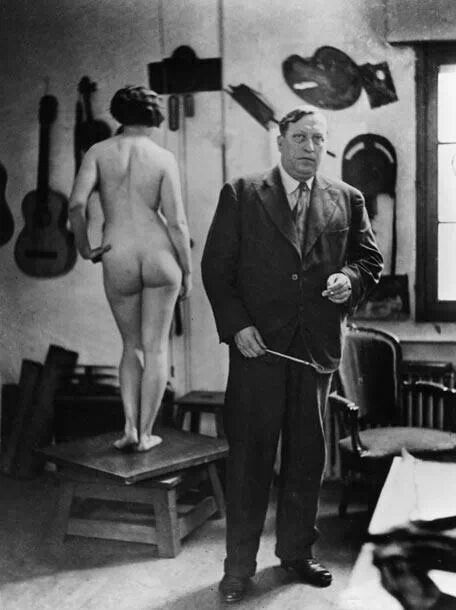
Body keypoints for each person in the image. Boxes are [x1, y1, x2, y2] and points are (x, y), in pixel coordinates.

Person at [201, 106, 383, 603]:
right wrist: (237, 326)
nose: (309, 147)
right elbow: (216, 269)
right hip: (257, 349)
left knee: (306, 459)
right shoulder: (242, 193)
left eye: (318, 139)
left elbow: (369, 260)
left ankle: (297, 554)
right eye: (300, 137)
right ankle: (238, 568)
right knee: (250, 462)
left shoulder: (347, 198)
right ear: (279, 141)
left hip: (314, 351)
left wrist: (350, 279)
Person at [69, 85, 192, 452]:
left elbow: (76, 206)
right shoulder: (163, 157)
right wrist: (187, 272)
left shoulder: (98, 152)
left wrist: (85, 248)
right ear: (153, 117)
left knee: (131, 347)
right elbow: (177, 224)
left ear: (119, 114)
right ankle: (148, 433)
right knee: (156, 349)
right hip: (159, 254)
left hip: (117, 252)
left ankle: (130, 429)